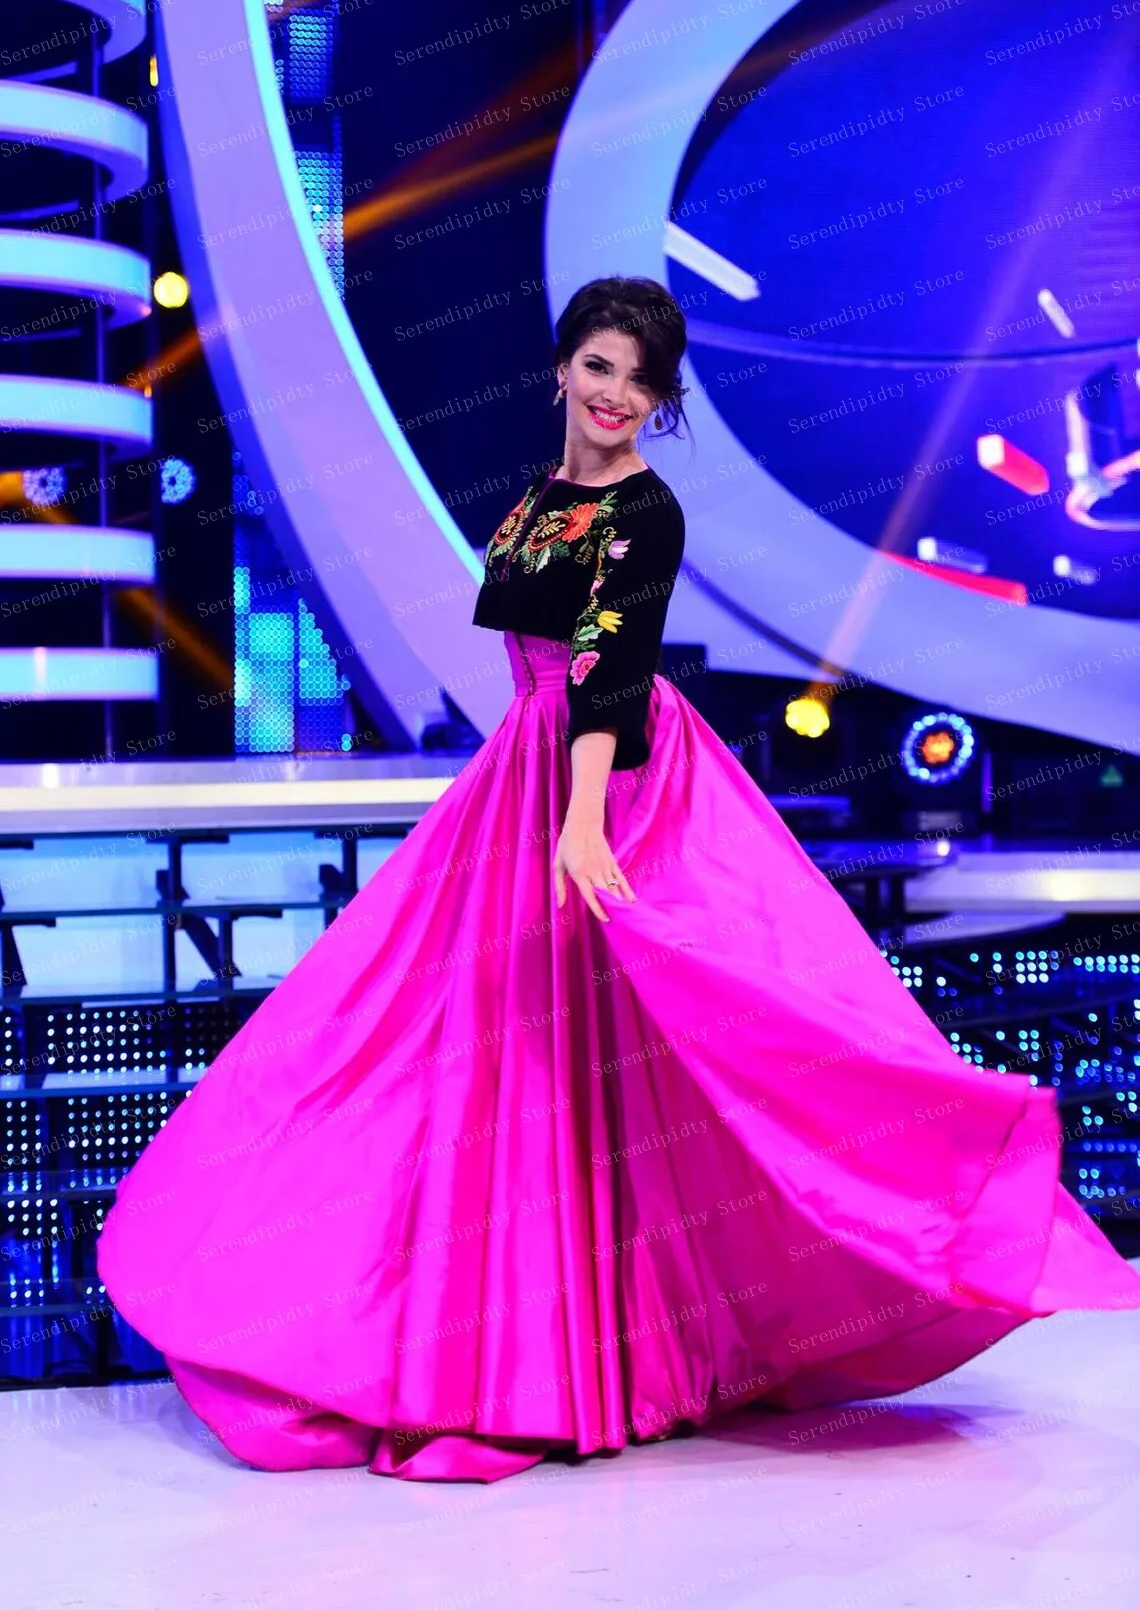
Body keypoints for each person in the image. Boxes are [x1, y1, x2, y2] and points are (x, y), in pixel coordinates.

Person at [98, 275, 1140, 1484]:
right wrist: (531, 789)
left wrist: (583, 820)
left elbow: (609, 671)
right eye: (599, 366)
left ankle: (634, 1340)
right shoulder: (540, 501)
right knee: (485, 1054)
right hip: (525, 773)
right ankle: (543, 1353)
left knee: (645, 1040)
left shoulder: (646, 509)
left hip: (620, 780)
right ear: (562, 368)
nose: (615, 395)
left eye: (640, 381)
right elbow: (531, 667)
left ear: (660, 400)